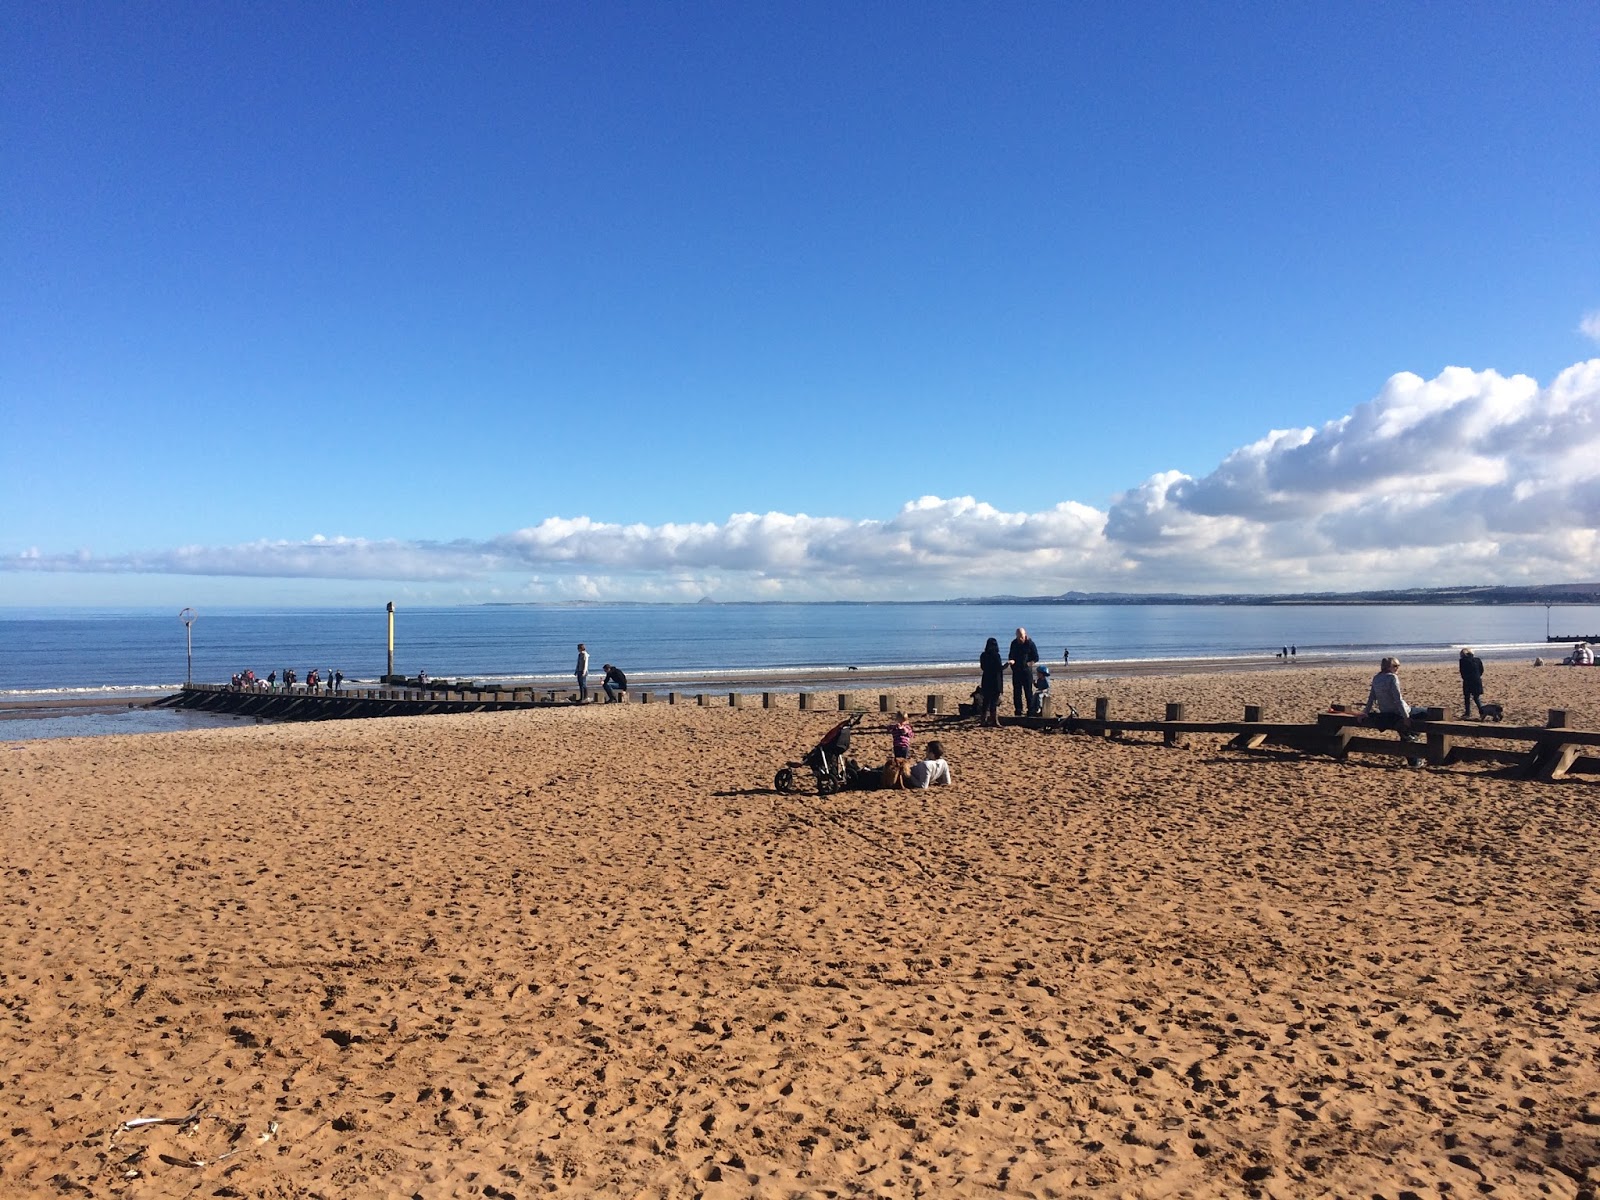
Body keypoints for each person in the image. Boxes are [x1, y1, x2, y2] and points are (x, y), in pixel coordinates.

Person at [1364, 656, 1423, 766]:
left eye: (1398, 666)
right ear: (1388, 667)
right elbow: (1398, 700)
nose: (1397, 668)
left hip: (1386, 713)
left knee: (1407, 732)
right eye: (1395, 666)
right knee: (1426, 713)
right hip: (1399, 712)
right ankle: (1415, 756)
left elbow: (1371, 698)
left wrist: (1365, 713)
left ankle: (1413, 742)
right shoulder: (1392, 678)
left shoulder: (1376, 678)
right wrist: (1406, 717)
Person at [1006, 627, 1040, 717]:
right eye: (1018, 636)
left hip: (1027, 672)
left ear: (1025, 634)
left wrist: (1029, 664)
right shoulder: (1014, 643)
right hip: (1016, 671)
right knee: (1017, 692)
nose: (1020, 638)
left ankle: (1030, 710)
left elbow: (1036, 657)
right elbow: (1011, 655)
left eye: (1021, 636)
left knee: (1028, 692)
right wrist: (1011, 661)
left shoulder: (1030, 644)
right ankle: (1018, 710)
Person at [978, 637, 1004, 727]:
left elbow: (983, 667)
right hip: (995, 680)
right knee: (993, 702)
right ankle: (994, 721)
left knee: (986, 701)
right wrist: (1007, 665)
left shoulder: (983, 655)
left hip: (986, 679)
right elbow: (999, 668)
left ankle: (983, 720)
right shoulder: (996, 655)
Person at [1458, 648, 1485, 719]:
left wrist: (1465, 678)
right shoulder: (1477, 660)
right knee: (1476, 698)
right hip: (1477, 680)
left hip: (1468, 680)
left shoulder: (1462, 661)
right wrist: (1477, 676)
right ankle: (1482, 712)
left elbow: (1462, 671)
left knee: (1467, 697)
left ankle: (1467, 713)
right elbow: (1481, 670)